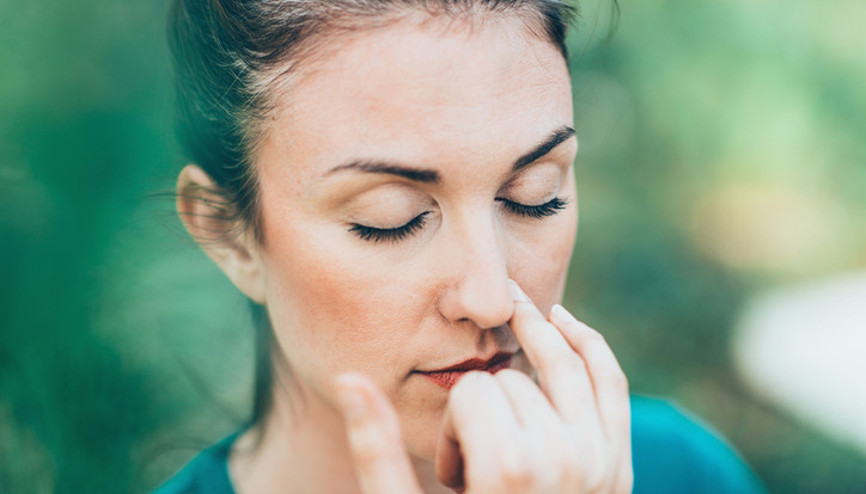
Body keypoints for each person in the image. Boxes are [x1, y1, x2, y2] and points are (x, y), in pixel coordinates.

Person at [156, 1, 766, 492]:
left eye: (535, 195)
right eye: (389, 219)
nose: (491, 299)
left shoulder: (683, 473)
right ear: (229, 232)